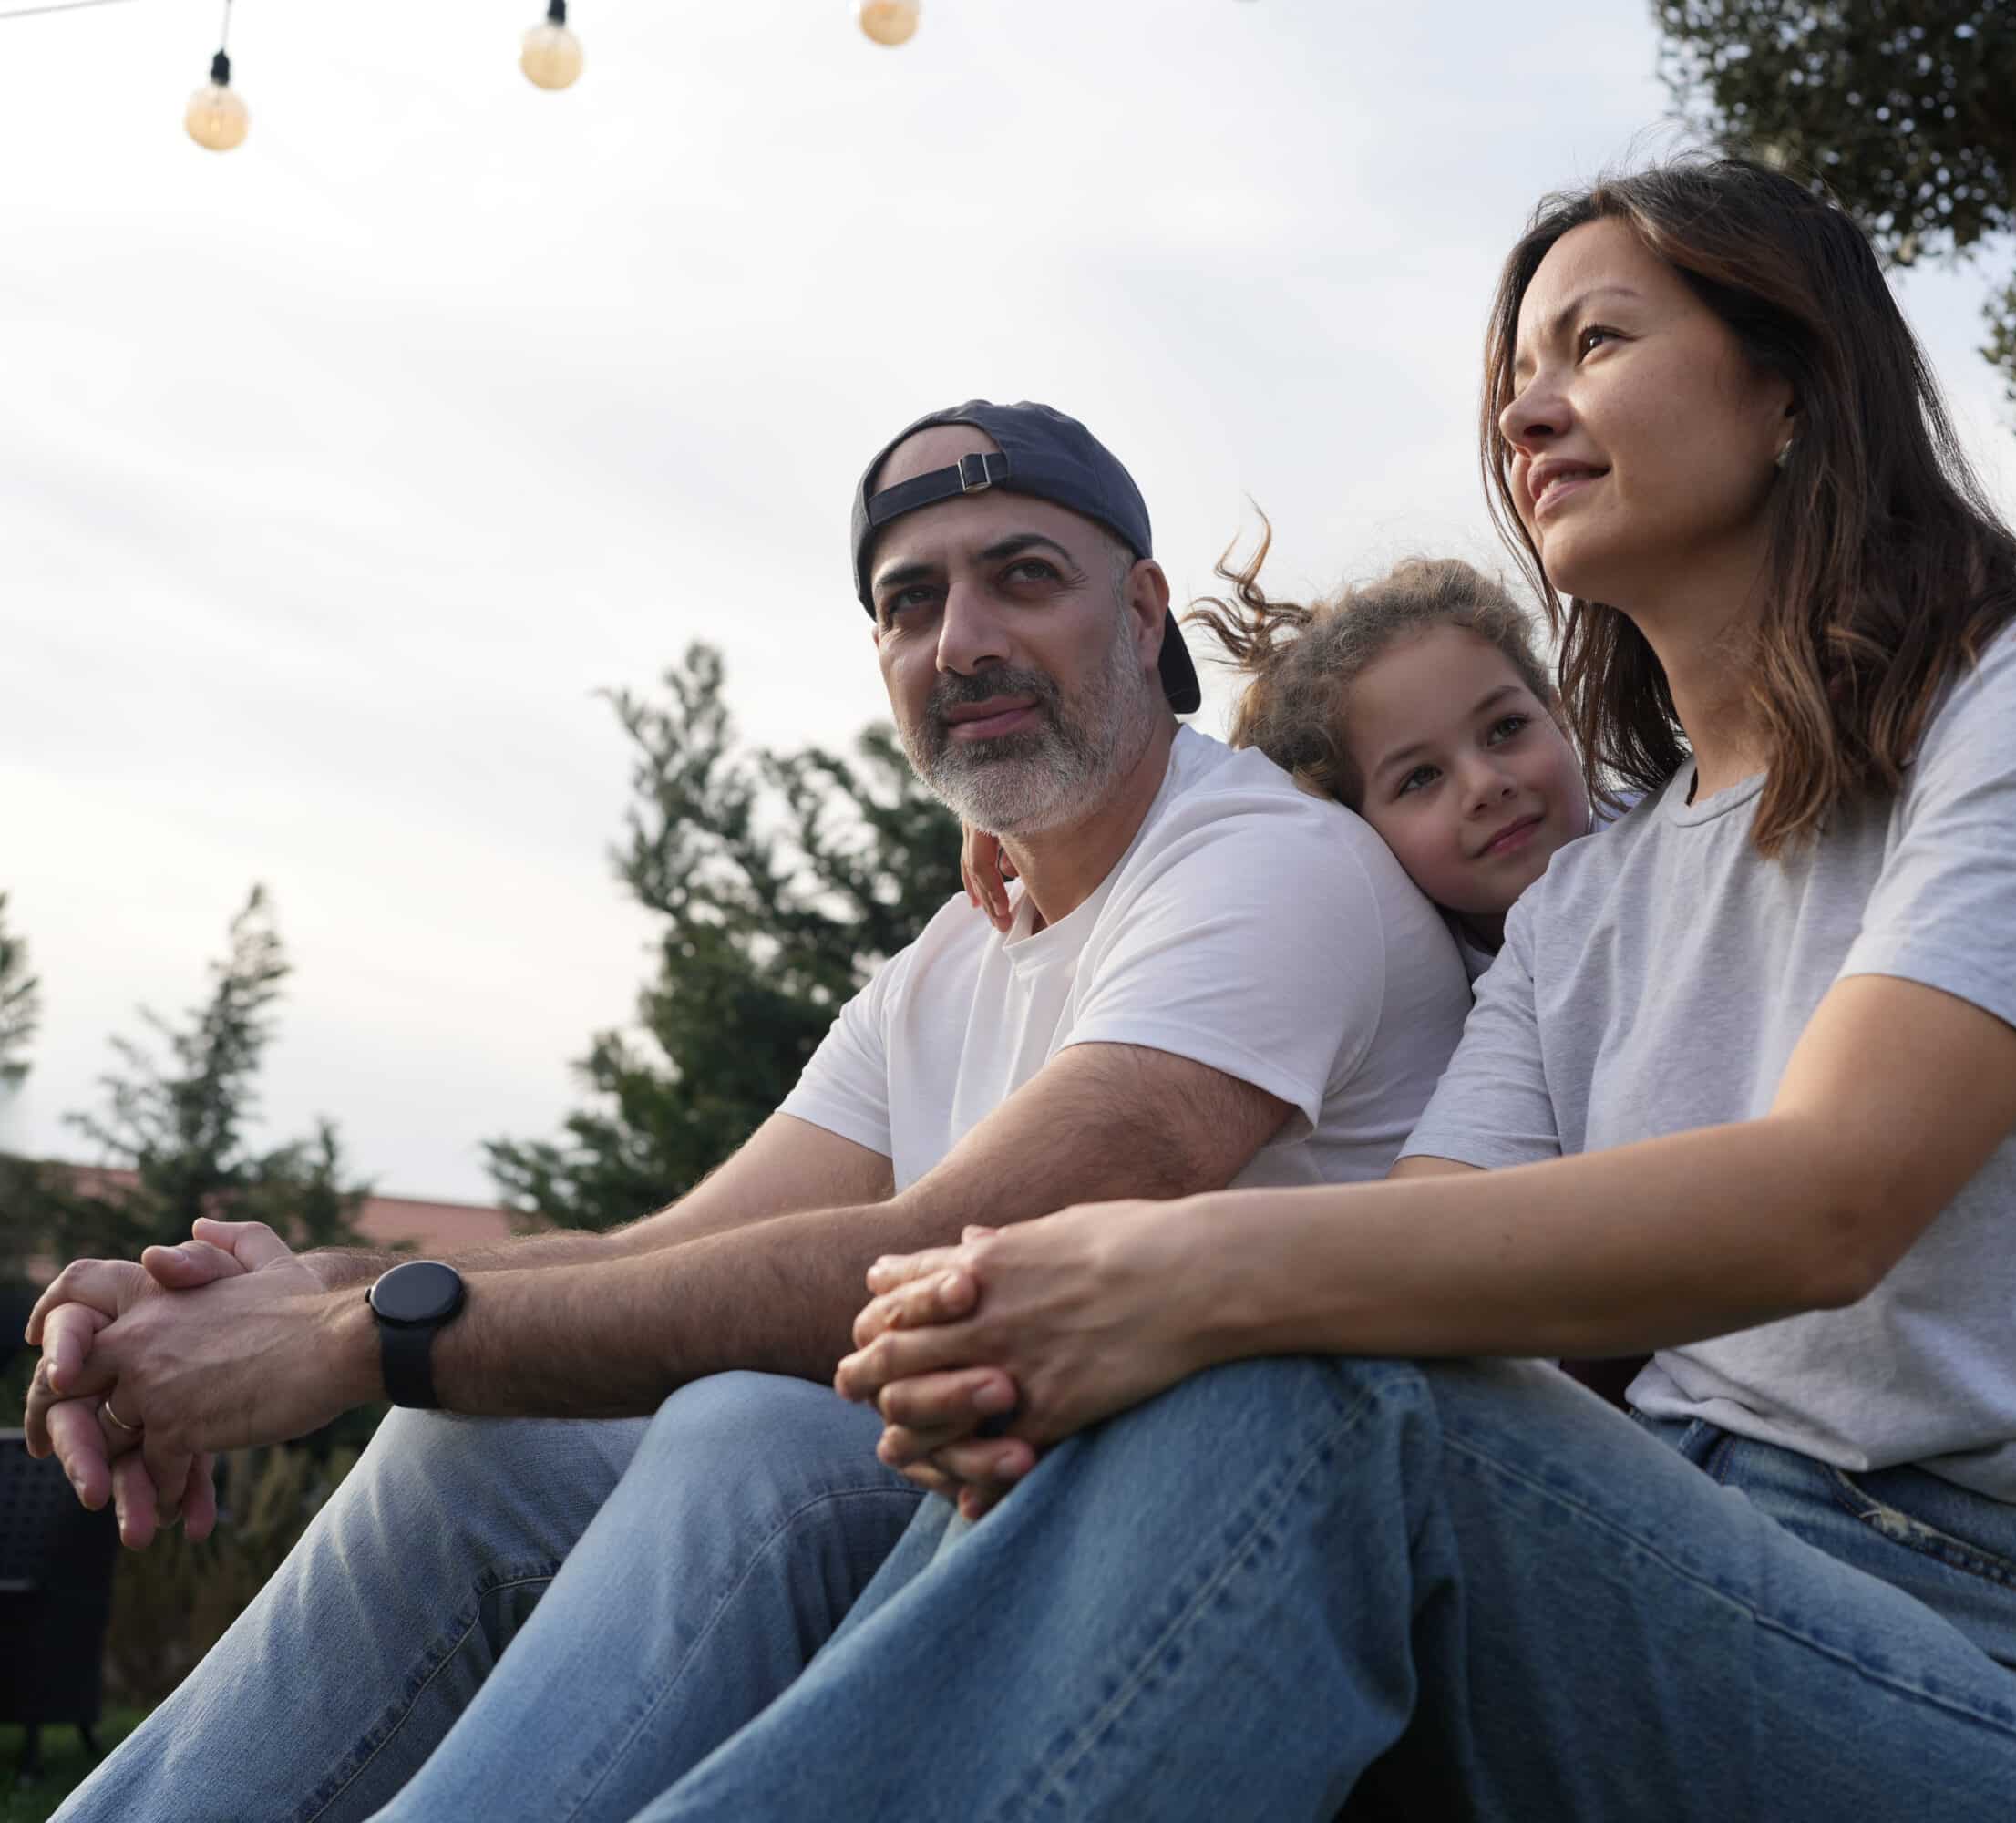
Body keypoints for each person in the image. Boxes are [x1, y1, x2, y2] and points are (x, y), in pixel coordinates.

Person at [625, 158, 2016, 1823]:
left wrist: (1177, 1260)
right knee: (1244, 1355)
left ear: (1791, 385)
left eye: (1595, 345)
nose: (1530, 415)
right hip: (1670, 1564)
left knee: (1291, 1358)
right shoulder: (1592, 897)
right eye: (1515, 383)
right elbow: (1420, 1246)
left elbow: (1833, 1199)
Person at [26, 399, 1470, 1823]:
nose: (963, 640)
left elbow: (943, 1255)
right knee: (478, 1439)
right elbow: (661, 1251)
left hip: (1198, 1553)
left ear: (1145, 615)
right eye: (912, 604)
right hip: (970, 1512)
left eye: (1022, 577)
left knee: (753, 1440)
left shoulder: (1271, 869)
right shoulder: (947, 965)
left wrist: (354, 1340)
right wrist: (310, 1290)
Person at [964, 521, 1598, 981]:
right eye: (1420, 777)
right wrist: (1024, 818)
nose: (1486, 783)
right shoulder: (1393, 966)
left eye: (1507, 728)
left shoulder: (1671, 831)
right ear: (1351, 827)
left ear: (1558, 713)